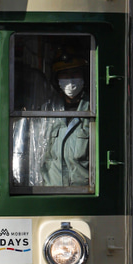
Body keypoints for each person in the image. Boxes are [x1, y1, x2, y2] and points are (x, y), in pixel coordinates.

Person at [40, 49, 91, 187]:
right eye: (64, 74)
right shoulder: (48, 111)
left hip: (83, 195)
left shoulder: (93, 111)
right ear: (57, 80)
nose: (70, 79)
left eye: (75, 73)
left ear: (84, 77)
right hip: (52, 192)